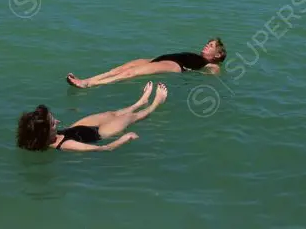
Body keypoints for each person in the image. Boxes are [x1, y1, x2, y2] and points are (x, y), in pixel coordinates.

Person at [17, 82, 167, 152]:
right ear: (45, 133)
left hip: (77, 128)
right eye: (53, 123)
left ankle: (139, 102)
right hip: (99, 134)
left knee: (111, 114)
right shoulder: (67, 145)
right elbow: (103, 148)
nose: (58, 121)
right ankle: (154, 105)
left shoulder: (51, 136)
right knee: (130, 118)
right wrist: (123, 138)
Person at [67, 38, 226, 88]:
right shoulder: (196, 55)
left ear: (218, 55)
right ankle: (89, 79)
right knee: (121, 68)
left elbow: (213, 76)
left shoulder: (212, 65)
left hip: (175, 65)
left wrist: (204, 72)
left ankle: (87, 85)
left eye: (211, 45)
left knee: (130, 73)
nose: (206, 45)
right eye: (208, 43)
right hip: (161, 58)